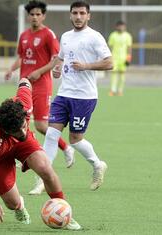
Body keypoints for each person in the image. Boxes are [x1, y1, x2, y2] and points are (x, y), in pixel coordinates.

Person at [0, 78, 81, 230]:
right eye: (17, 131)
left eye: (24, 125)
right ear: (6, 130)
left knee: (46, 170)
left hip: (22, 144)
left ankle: (64, 213)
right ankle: (20, 207)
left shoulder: (24, 104)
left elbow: (25, 81)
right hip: (0, 155)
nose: (23, 132)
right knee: (12, 203)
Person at [30, 1, 113, 194]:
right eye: (75, 13)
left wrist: (86, 66)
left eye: (82, 13)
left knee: (75, 139)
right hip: (63, 94)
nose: (78, 16)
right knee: (51, 134)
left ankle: (97, 164)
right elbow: (60, 57)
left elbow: (110, 63)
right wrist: (58, 68)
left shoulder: (94, 37)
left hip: (84, 97)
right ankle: (43, 178)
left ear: (88, 16)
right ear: (70, 15)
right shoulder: (66, 37)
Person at [4, 0, 75, 179]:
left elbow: (56, 60)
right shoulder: (24, 35)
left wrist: (39, 71)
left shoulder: (48, 35)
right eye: (32, 14)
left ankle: (66, 148)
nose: (35, 17)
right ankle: (23, 153)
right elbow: (21, 57)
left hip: (42, 85)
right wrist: (11, 69)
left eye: (38, 14)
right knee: (19, 119)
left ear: (43, 16)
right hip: (24, 84)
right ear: (28, 16)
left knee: (42, 126)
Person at [108, 20, 133, 96]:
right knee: (114, 74)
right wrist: (109, 57)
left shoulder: (128, 36)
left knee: (122, 75)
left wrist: (129, 58)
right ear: (116, 27)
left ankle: (120, 90)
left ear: (124, 27)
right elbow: (110, 47)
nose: (121, 27)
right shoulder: (113, 35)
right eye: (119, 26)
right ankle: (113, 90)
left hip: (123, 58)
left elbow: (129, 47)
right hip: (114, 58)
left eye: (122, 26)